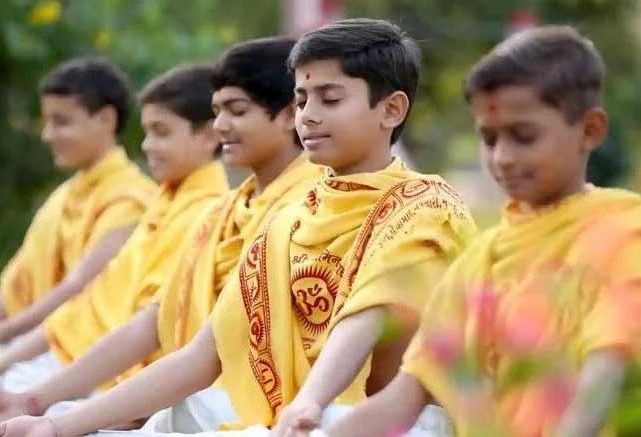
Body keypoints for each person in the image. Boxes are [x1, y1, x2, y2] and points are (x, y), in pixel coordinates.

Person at [326, 25, 641, 437]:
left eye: (523, 136)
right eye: (489, 139)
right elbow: (406, 396)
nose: (503, 157)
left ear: (590, 130)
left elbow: (602, 380)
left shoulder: (622, 234)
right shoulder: (480, 261)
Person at [0, 63, 229, 394]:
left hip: (111, 372)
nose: (48, 135)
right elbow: (85, 301)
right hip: (71, 353)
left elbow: (142, 320)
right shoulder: (159, 203)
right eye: (147, 132)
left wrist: (36, 397)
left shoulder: (155, 203)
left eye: (161, 132)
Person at [0, 57, 155, 342]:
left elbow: (78, 288)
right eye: (47, 122)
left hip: (86, 350)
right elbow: (13, 288)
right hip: (32, 343)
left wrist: (5, 334)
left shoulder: (131, 199)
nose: (48, 135)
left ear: (106, 119)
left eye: (61, 122)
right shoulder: (62, 198)